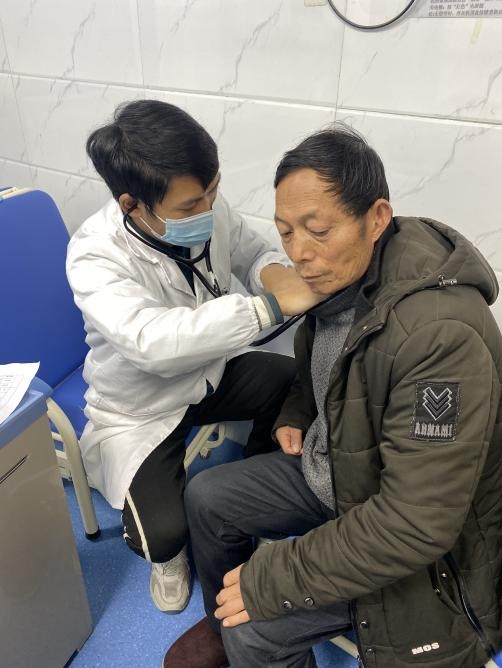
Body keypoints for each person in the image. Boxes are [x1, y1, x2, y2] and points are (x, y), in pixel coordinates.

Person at [164, 124, 502, 668]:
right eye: (286, 232)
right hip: (341, 471)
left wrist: (271, 581)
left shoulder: (440, 337)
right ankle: (224, 617)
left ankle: (242, 628)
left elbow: (415, 522)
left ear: (377, 218)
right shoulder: (343, 277)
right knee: (207, 498)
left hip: (414, 535)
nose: (299, 254)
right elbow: (326, 364)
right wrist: (299, 409)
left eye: (317, 230)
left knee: (259, 634)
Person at [66, 99, 321, 614]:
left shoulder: (204, 207)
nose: (206, 211)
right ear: (131, 205)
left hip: (209, 373)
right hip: (142, 407)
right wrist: (270, 306)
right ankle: (166, 559)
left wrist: (279, 277)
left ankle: (251, 487)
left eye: (213, 192)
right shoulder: (94, 255)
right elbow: (154, 344)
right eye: (188, 208)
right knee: (163, 535)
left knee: (293, 379)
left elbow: (253, 252)